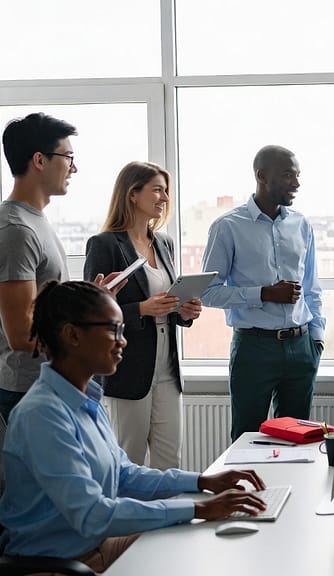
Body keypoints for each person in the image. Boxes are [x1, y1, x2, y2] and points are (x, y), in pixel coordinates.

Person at [0, 280, 267, 573]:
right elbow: (92, 514)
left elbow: (124, 475)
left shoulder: (85, 400)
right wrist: (199, 508)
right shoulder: (42, 415)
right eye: (113, 330)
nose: (122, 341)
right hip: (58, 565)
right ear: (73, 335)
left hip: (95, 547)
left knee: (199, 544)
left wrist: (203, 481)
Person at [200, 145, 325, 441]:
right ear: (261, 176)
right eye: (288, 175)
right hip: (253, 349)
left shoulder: (301, 224)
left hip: (301, 347)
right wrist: (263, 294)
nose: (296, 183)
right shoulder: (227, 227)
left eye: (297, 175)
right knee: (246, 439)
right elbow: (208, 293)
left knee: (297, 441)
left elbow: (311, 288)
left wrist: (316, 340)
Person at [84, 161, 201, 469]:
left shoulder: (164, 243)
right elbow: (91, 313)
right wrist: (141, 309)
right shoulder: (104, 245)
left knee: (170, 461)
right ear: (132, 194)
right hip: (129, 371)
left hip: (167, 371)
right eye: (157, 190)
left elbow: (169, 301)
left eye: (166, 191)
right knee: (129, 460)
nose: (165, 198)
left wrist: (183, 310)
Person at [0, 113, 81, 422]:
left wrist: (91, 301)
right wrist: (87, 334)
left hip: (49, 386)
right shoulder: (15, 230)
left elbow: (44, 305)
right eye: (68, 157)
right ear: (39, 160)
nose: (74, 168)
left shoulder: (34, 220)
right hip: (27, 391)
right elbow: (22, 333)